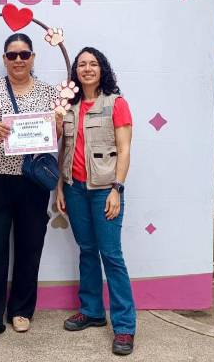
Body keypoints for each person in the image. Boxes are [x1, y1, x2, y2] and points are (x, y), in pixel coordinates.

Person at [0, 33, 61, 342]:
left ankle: (22, 310)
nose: (18, 60)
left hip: (33, 180)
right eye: (12, 55)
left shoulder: (50, 92)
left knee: (30, 244)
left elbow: (58, 132)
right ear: (4, 58)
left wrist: (59, 124)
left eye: (24, 54)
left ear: (33, 57)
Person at [55, 47, 136, 356]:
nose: (87, 68)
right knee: (87, 251)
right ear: (75, 71)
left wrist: (117, 188)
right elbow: (62, 148)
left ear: (102, 69)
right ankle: (91, 311)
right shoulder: (69, 106)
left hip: (104, 189)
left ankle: (125, 327)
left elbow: (125, 149)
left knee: (111, 255)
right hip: (74, 188)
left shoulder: (116, 103)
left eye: (93, 64)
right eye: (82, 64)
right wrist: (60, 187)